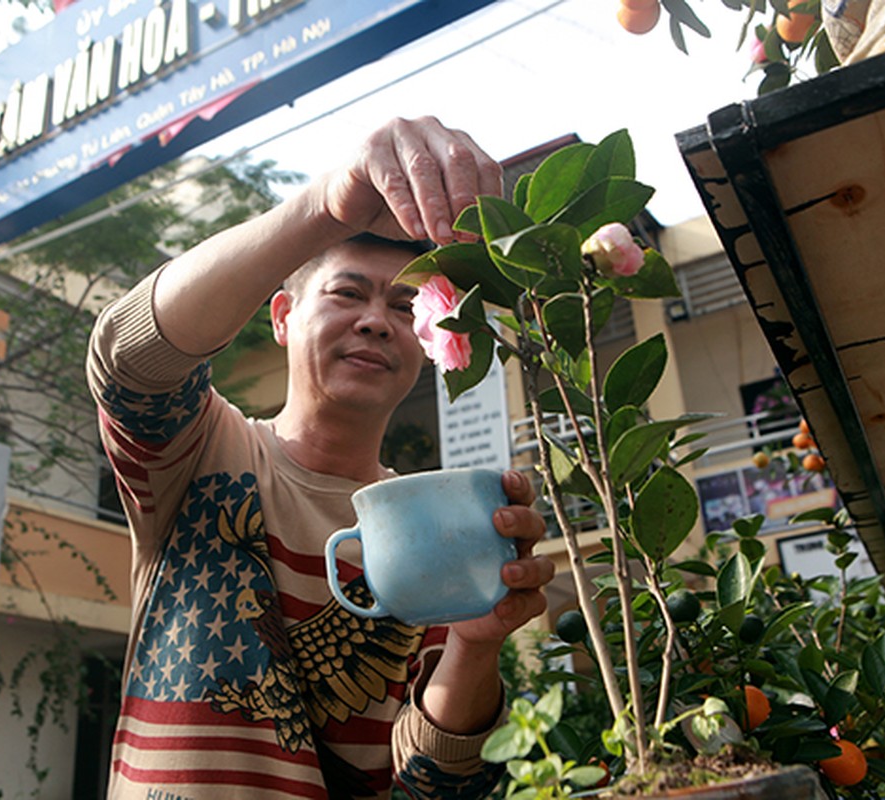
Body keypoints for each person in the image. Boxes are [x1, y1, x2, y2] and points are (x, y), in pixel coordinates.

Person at [88, 116, 554, 799]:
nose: (374, 320)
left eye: (404, 306)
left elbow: (429, 784)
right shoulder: (202, 452)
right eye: (345, 292)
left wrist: (475, 642)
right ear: (281, 316)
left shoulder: (437, 530)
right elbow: (130, 362)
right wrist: (321, 207)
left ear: (428, 340)